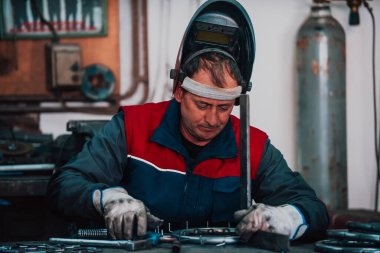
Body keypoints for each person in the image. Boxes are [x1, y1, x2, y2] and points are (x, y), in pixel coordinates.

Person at [47, 0, 329, 242]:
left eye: (224, 107)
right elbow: (63, 186)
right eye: (203, 104)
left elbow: (314, 209)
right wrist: (106, 199)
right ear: (179, 91)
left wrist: (288, 218)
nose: (213, 119)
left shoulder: (252, 146)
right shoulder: (132, 127)